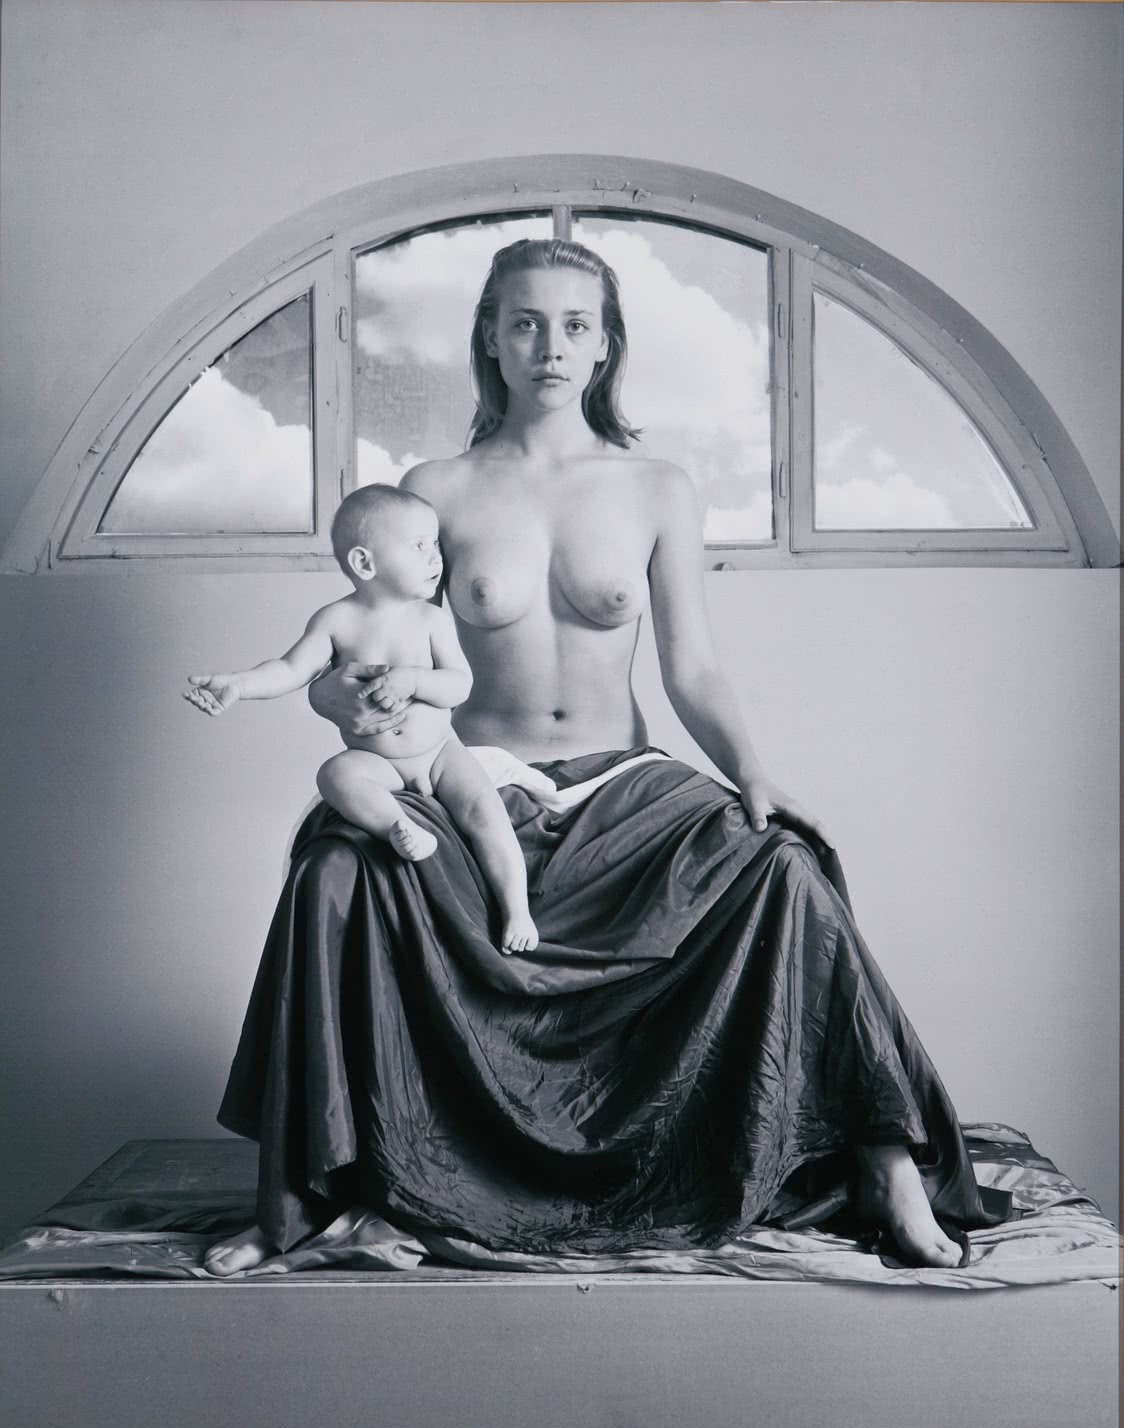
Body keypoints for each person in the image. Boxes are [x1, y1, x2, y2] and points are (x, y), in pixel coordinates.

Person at [205, 238, 1007, 1277]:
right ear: (491, 340)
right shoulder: (433, 487)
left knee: (786, 869)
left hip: (623, 782)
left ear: (604, 345)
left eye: (575, 325)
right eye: (526, 322)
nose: (550, 345)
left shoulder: (656, 487)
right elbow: (363, 643)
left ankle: (886, 1168)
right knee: (333, 869)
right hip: (472, 778)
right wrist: (341, 695)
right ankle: (303, 1198)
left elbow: (691, 665)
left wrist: (751, 771)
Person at [184, 484, 539, 954]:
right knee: (335, 774)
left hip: (440, 753)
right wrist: (239, 684)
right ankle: (397, 827)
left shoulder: (430, 620)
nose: (436, 557)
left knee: (483, 810)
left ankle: (517, 909)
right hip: (380, 762)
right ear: (365, 563)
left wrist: (413, 680)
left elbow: (460, 684)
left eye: (435, 543)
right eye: (418, 546)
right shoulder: (335, 621)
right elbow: (290, 669)